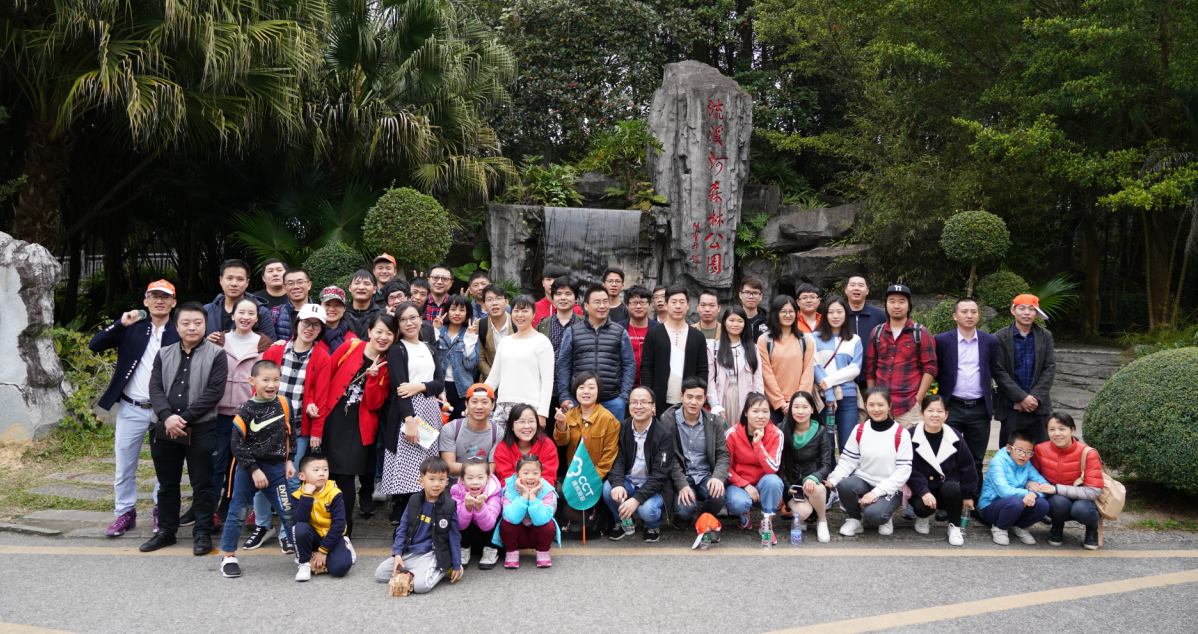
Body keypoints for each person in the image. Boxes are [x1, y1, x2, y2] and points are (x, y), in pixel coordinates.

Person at [91, 280, 178, 537]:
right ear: (145, 301)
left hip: (165, 411)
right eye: (154, 296)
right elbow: (95, 345)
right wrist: (121, 323)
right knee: (124, 465)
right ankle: (124, 513)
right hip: (131, 407)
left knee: (165, 465)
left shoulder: (179, 330)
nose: (159, 301)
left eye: (165, 297)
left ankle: (160, 509)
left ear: (173, 302)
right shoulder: (133, 328)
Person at [140, 302, 226, 554]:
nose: (192, 327)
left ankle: (202, 532)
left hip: (200, 428)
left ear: (205, 324)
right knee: (168, 484)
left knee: (203, 484)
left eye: (197, 322)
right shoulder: (164, 353)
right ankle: (166, 531)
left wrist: (184, 418)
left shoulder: (217, 354)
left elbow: (214, 392)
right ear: (176, 326)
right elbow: (154, 388)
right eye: (185, 323)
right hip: (164, 428)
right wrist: (167, 417)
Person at [218, 360, 298, 578]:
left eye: (276, 379)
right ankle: (229, 556)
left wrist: (290, 460)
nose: (271, 384)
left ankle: (300, 552)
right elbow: (236, 445)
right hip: (248, 470)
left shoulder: (284, 403)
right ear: (252, 381)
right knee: (237, 513)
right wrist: (254, 469)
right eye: (265, 380)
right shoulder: (246, 409)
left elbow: (291, 432)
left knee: (288, 512)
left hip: (277, 469)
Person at [321, 313, 393, 537]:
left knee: (346, 477)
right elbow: (326, 376)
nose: (383, 337)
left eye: (389, 333)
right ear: (369, 331)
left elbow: (375, 404)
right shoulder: (349, 347)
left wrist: (373, 378)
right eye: (379, 331)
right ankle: (324, 524)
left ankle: (344, 529)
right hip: (333, 418)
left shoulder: (388, 364)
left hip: (359, 426)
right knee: (328, 474)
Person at [213, 297, 273, 544]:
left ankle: (246, 510)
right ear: (233, 315)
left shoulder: (264, 343)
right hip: (220, 413)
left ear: (257, 318)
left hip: (250, 416)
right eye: (241, 312)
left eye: (251, 313)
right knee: (217, 466)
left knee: (246, 465)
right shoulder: (219, 340)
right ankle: (212, 512)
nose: (246, 317)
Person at [382, 302, 446, 524]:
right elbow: (400, 388)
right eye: (402, 319)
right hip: (407, 412)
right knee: (408, 467)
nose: (409, 323)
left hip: (430, 410)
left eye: (413, 317)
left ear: (421, 319)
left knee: (429, 464)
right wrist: (409, 421)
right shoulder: (396, 349)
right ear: (398, 324)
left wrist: (419, 386)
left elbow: (439, 383)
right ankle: (405, 521)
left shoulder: (430, 348)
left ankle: (427, 516)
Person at [825, 387, 913, 537]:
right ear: (865, 405)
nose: (876, 409)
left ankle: (885, 516)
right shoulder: (859, 430)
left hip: (890, 487)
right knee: (846, 484)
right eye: (871, 404)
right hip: (864, 480)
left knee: (875, 516)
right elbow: (847, 461)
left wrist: (876, 492)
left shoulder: (901, 434)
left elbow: (903, 472)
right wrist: (832, 480)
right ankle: (855, 520)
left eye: (881, 404)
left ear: (889, 406)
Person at [934, 296, 999, 497]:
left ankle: (974, 499)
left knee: (976, 458)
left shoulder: (990, 341)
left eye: (973, 311)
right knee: (947, 455)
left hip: (979, 407)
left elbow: (993, 369)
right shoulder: (942, 340)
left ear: (979, 315)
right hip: (951, 405)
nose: (969, 315)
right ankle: (947, 500)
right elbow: (936, 371)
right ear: (955, 316)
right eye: (964, 311)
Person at [263, 304, 331, 495]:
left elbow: (321, 397)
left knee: (292, 476)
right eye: (306, 323)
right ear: (297, 323)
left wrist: (317, 431)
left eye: (316, 326)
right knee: (265, 475)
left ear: (321, 331)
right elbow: (258, 389)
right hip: (268, 425)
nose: (310, 329)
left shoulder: (322, 358)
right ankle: (261, 522)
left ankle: (291, 524)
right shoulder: (275, 351)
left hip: (298, 428)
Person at [373, 456, 464, 592]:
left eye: (441, 479)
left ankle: (443, 568)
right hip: (410, 551)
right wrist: (397, 554)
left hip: (431, 554)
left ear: (447, 481)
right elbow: (402, 528)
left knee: (420, 587)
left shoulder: (449, 506)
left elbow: (454, 537)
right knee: (380, 574)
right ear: (421, 481)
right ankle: (415, 571)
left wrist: (457, 563)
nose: (437, 484)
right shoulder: (414, 500)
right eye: (431, 479)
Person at [603, 386, 675, 542]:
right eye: (634, 402)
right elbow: (617, 459)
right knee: (609, 489)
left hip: (654, 487)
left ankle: (652, 525)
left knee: (647, 510)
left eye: (644, 402)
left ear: (653, 406)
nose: (638, 406)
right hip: (630, 481)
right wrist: (617, 483)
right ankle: (623, 521)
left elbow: (660, 474)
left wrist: (637, 499)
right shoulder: (622, 427)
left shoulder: (664, 435)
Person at [555, 285, 636, 421]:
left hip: (613, 401)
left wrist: (623, 397)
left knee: (612, 441)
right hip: (579, 401)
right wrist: (564, 396)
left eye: (605, 301)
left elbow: (629, 365)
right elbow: (563, 364)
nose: (602, 306)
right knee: (579, 441)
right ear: (586, 306)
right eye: (597, 302)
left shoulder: (620, 332)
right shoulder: (573, 331)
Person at [552, 371, 621, 531]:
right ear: (575, 391)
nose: (586, 391)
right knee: (558, 493)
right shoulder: (570, 415)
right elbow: (561, 442)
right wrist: (561, 424)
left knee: (574, 513)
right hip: (574, 475)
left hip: (596, 478)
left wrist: (592, 480)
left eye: (591, 387)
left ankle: (593, 518)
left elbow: (609, 457)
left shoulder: (608, 419)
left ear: (599, 391)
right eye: (581, 387)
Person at [863, 284, 937, 429]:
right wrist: (872, 397)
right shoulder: (877, 332)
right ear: (886, 305)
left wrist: (919, 398)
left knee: (910, 449)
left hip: (909, 404)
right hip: (881, 406)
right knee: (882, 449)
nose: (896, 305)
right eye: (892, 301)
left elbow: (931, 367)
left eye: (902, 301)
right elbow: (870, 368)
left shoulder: (920, 332)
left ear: (909, 306)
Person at [907, 395, 977, 547]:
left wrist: (967, 494)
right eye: (930, 410)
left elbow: (967, 466)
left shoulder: (955, 436)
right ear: (922, 414)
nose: (935, 414)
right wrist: (923, 490)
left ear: (946, 415)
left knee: (952, 487)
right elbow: (907, 468)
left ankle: (954, 526)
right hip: (922, 489)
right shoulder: (910, 436)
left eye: (940, 411)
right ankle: (922, 517)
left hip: (945, 487)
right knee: (921, 508)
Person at [664, 377, 730, 528]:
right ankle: (684, 518)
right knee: (684, 510)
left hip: (706, 476)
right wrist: (681, 484)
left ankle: (706, 517)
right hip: (682, 476)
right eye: (689, 397)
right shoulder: (668, 421)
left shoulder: (714, 422)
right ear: (681, 396)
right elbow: (669, 458)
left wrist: (718, 477)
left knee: (718, 495)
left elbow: (723, 454)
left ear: (705, 399)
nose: (694, 402)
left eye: (699, 398)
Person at [1032, 412, 1103, 550]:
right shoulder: (1041, 449)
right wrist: (1034, 485)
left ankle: (1092, 529)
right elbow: (1031, 476)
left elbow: (1094, 491)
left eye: (1062, 428)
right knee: (1058, 502)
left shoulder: (1088, 453)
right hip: (1057, 498)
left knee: (1082, 509)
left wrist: (1056, 489)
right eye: (1052, 429)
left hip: (1083, 498)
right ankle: (1057, 527)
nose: (1057, 433)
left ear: (1072, 430)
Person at [994, 294, 1056, 447]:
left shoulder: (1045, 336)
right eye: (1022, 308)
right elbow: (998, 371)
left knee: (1042, 454)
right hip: (1011, 408)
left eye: (1031, 309)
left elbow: (1049, 368)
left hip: (1038, 407)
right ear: (1013, 310)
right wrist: (1022, 398)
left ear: (1036, 313)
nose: (1027, 313)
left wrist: (1033, 398)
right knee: (1010, 453)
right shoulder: (1000, 337)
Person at [723, 393, 784, 541]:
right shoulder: (732, 434)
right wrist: (745, 485)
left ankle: (766, 523)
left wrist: (758, 444)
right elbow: (725, 467)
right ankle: (745, 515)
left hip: (764, 485)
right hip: (739, 484)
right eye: (755, 411)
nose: (761, 416)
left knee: (774, 481)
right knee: (738, 503)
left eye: (765, 411)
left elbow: (772, 468)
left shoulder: (777, 434)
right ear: (746, 412)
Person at [485, 295, 554, 425]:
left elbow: (547, 381)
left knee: (525, 445)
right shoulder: (505, 342)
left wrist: (543, 413)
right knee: (500, 445)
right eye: (516, 311)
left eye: (525, 310)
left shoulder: (542, 342)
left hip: (529, 408)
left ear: (534, 314)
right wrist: (479, 398)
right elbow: (493, 379)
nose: (520, 315)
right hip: (502, 407)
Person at [641, 286, 709, 410]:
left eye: (682, 302)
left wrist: (699, 398)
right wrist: (649, 400)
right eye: (673, 302)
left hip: (689, 402)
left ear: (688, 305)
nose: (678, 306)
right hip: (659, 399)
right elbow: (647, 368)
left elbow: (702, 370)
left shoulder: (697, 336)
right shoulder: (654, 334)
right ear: (666, 305)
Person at [979, 428, 1051, 545]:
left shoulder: (1027, 463)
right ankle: (1000, 527)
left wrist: (1034, 494)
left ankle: (1018, 526)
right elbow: (1004, 492)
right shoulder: (998, 462)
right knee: (1015, 502)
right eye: (1019, 450)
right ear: (1009, 448)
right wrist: (1028, 492)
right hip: (991, 507)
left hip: (1015, 505)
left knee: (1043, 504)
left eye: (1028, 452)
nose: (1023, 455)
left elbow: (1046, 485)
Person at [780, 391, 834, 543]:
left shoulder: (821, 431)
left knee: (817, 488)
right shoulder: (781, 430)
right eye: (796, 407)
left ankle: (822, 521)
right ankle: (805, 515)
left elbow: (826, 464)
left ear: (812, 409)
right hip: (792, 485)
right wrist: (788, 486)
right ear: (790, 409)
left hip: (812, 485)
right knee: (803, 513)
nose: (800, 411)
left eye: (805, 407)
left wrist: (814, 477)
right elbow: (779, 465)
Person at [812, 296, 863, 453]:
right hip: (823, 397)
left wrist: (830, 380)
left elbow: (855, 369)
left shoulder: (855, 339)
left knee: (848, 443)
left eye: (839, 312)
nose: (835, 316)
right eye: (831, 312)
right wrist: (829, 393)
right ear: (825, 315)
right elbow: (814, 366)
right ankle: (828, 476)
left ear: (845, 314)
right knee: (826, 444)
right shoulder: (813, 337)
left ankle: (847, 477)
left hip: (848, 397)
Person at [292, 454, 354, 581]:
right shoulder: (298, 495)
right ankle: (304, 563)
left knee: (339, 569)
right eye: (316, 470)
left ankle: (345, 545)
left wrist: (323, 551)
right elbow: (301, 519)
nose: (322, 474)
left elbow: (339, 525)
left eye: (325, 469)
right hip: (314, 535)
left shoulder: (334, 493)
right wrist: (307, 495)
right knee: (300, 528)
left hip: (333, 535)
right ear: (302, 476)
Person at [758, 295, 816, 426]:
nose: (787, 315)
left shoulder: (805, 340)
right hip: (773, 403)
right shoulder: (765, 340)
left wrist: (797, 401)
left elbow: (808, 373)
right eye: (783, 311)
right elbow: (766, 373)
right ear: (775, 313)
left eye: (791, 311)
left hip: (799, 404)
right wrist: (780, 403)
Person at [705, 306, 763, 426]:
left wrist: (759, 402)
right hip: (723, 396)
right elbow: (710, 379)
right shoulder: (714, 348)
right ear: (725, 322)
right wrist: (714, 403)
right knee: (723, 433)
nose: (735, 324)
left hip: (747, 397)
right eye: (731, 320)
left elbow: (758, 378)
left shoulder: (752, 348)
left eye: (740, 321)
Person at [498, 454, 558, 569]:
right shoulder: (509, 489)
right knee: (506, 523)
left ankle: (543, 552)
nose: (531, 477)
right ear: (517, 475)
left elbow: (542, 519)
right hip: (518, 534)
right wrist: (525, 495)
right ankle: (512, 552)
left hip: (537, 533)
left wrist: (534, 496)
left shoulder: (547, 490)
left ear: (541, 475)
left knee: (549, 525)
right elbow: (511, 517)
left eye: (535, 473)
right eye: (525, 473)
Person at [844, 275, 887, 423]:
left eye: (861, 285)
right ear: (846, 290)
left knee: (874, 423)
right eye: (853, 285)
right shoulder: (838, 315)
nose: (856, 288)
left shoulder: (881, 316)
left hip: (873, 382)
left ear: (867, 290)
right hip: (845, 383)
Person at [204, 258, 277, 341]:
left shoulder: (260, 311)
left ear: (247, 283)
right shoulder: (207, 310)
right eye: (229, 278)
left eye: (240, 279)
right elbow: (194, 344)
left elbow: (270, 345)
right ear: (221, 280)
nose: (234, 284)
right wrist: (206, 344)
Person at [439, 383, 500, 481]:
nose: (479, 407)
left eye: (485, 402)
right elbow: (448, 466)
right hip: (454, 485)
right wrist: (479, 469)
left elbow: (492, 469)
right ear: (467, 404)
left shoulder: (497, 432)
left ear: (493, 405)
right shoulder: (451, 428)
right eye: (474, 402)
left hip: (483, 485)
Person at [451, 457, 502, 569]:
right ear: (462, 480)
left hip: (487, 532)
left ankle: (490, 549)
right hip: (470, 534)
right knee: (457, 514)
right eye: (470, 478)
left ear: (488, 478)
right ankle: (463, 548)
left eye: (480, 477)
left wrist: (480, 507)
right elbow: (458, 524)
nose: (475, 482)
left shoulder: (493, 492)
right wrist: (468, 508)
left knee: (495, 514)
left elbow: (489, 524)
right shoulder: (457, 491)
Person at [436, 294, 480, 420]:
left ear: (467, 313)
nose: (457, 313)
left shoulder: (470, 334)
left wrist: (471, 338)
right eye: (453, 309)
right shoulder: (439, 331)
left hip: (462, 390)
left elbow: (470, 365)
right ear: (447, 311)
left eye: (462, 310)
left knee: (458, 429)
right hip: (439, 388)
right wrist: (434, 330)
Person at [494, 404, 560, 487]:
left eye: (531, 421)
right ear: (512, 426)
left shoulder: (547, 444)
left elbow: (548, 478)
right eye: (521, 422)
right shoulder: (502, 448)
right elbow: (506, 480)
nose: (527, 426)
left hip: (542, 492)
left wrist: (533, 494)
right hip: (513, 494)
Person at [616, 285, 659, 384]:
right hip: (623, 385)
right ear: (627, 305)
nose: (639, 306)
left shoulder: (658, 330)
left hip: (651, 384)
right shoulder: (618, 329)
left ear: (649, 304)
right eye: (634, 303)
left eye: (643, 302)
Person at [476, 284, 512, 382]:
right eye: (489, 299)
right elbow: (480, 359)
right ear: (484, 305)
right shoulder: (479, 325)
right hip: (489, 382)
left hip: (515, 381)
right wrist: (495, 380)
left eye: (498, 298)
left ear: (506, 302)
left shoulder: (516, 323)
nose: (494, 303)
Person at [271, 267, 312, 341]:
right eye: (290, 283)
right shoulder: (274, 313)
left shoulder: (321, 312)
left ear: (309, 285)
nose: (296, 287)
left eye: (300, 282)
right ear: (284, 288)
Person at [345, 270, 381, 339]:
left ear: (374, 289)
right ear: (350, 288)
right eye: (357, 283)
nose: (361, 287)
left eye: (367, 284)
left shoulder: (380, 315)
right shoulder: (341, 314)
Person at [318, 287, 357, 351]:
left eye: (337, 305)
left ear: (344, 308)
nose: (331, 309)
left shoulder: (353, 340)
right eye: (327, 304)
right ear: (319, 306)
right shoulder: (311, 335)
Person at [738, 276, 769, 343]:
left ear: (761, 296)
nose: (751, 296)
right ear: (740, 295)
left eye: (755, 293)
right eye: (747, 292)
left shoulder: (769, 322)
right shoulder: (734, 321)